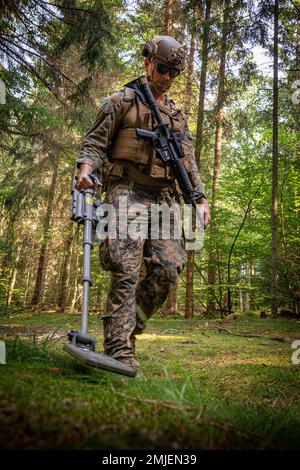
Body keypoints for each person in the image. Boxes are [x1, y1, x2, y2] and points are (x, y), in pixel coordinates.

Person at [75, 35, 211, 372]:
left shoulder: (178, 117)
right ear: (148, 62)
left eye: (173, 72)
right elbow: (94, 143)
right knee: (126, 268)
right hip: (127, 190)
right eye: (162, 68)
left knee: (168, 269)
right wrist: (85, 170)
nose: (166, 76)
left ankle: (128, 328)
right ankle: (119, 348)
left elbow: (188, 163)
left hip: (164, 198)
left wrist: (200, 199)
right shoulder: (120, 102)